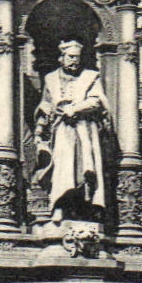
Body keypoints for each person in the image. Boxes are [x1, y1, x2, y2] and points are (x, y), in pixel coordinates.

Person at [33, 39, 109, 224]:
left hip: (85, 129)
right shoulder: (51, 78)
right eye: (70, 57)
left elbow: (96, 101)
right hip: (61, 130)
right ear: (62, 58)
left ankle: (85, 209)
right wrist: (39, 130)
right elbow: (46, 105)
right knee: (63, 169)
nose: (74, 61)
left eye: (77, 57)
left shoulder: (91, 77)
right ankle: (59, 206)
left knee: (85, 169)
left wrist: (75, 109)